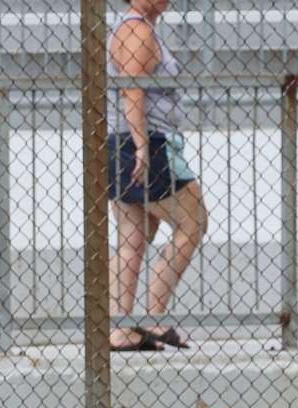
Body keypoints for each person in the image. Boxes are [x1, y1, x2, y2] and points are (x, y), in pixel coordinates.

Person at [107, 0, 209, 352]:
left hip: (124, 142)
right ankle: (154, 316)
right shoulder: (137, 31)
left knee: (134, 237)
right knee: (193, 222)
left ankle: (122, 329)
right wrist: (142, 147)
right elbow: (132, 90)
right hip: (147, 143)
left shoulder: (134, 28)